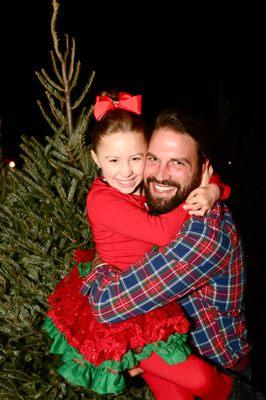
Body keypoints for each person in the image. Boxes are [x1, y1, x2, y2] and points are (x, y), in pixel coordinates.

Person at [44, 91, 233, 399]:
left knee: (174, 394)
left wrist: (212, 189)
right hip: (125, 312)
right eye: (113, 160)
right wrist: (191, 196)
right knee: (201, 379)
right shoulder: (101, 200)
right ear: (95, 159)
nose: (127, 171)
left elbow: (205, 173)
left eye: (137, 158)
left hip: (147, 299)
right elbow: (160, 234)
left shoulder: (142, 182)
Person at [83, 106, 252, 397]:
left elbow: (106, 305)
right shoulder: (139, 196)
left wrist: (214, 189)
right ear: (97, 159)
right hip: (157, 334)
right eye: (153, 158)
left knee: (202, 382)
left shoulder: (203, 235)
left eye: (177, 163)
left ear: (201, 169)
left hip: (215, 364)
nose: (159, 174)